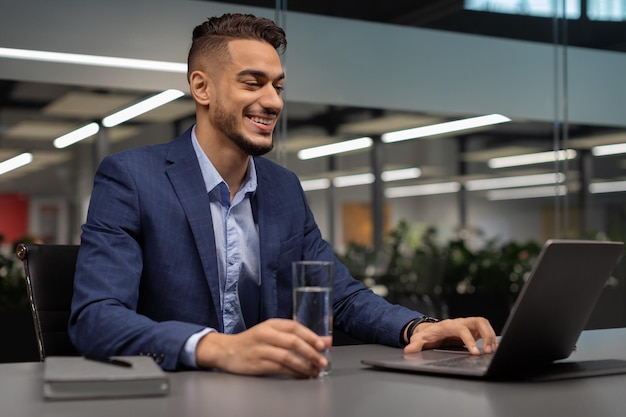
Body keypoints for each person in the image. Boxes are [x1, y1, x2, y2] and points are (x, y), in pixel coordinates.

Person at [69, 13, 496, 378]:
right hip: (175, 397)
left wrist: (417, 327)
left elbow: (339, 294)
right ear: (202, 88)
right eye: (253, 83)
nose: (272, 101)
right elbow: (96, 319)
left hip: (272, 396)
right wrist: (217, 348)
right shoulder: (132, 177)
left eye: (278, 86)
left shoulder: (282, 187)